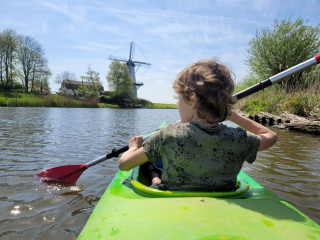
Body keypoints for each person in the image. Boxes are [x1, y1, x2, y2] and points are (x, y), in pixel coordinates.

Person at [119, 58, 277, 191]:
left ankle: (155, 180)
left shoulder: (167, 135)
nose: (176, 103)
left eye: (179, 98)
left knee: (148, 161)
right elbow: (271, 136)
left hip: (173, 202)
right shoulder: (239, 138)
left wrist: (133, 147)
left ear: (191, 98)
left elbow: (124, 165)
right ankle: (155, 180)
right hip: (224, 198)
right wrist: (234, 117)